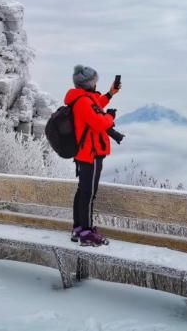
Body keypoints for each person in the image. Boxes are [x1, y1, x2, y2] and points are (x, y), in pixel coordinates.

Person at [64, 64, 121, 246]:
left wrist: (111, 93)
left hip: (85, 153)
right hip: (91, 154)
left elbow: (97, 104)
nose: (96, 84)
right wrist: (110, 118)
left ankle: (78, 228)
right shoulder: (83, 102)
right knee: (89, 194)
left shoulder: (83, 99)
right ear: (89, 84)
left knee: (83, 192)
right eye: (95, 82)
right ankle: (87, 232)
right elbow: (98, 122)